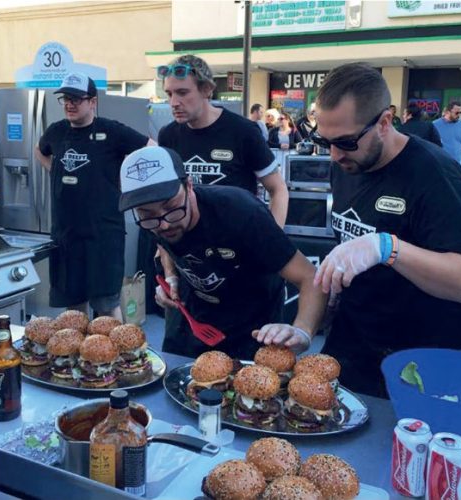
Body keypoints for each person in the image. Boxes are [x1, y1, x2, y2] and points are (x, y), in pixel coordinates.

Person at [302, 62, 461, 398]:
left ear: (385, 122)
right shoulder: (347, 163)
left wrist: (388, 248)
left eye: (345, 141)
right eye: (323, 140)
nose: (333, 155)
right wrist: (305, 326)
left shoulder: (436, 174)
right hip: (351, 351)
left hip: (419, 368)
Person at [119, 146, 326, 359]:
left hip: (251, 324)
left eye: (171, 207)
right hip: (193, 317)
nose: (163, 225)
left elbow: (309, 277)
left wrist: (303, 331)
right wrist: (171, 278)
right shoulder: (155, 222)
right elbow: (163, 246)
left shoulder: (242, 213)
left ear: (189, 185)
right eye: (148, 215)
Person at [35, 72, 156, 320]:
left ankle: (113, 357)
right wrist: (54, 170)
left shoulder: (111, 131)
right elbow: (40, 150)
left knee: (106, 305)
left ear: (92, 102)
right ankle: (79, 357)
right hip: (66, 234)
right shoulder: (56, 131)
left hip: (103, 235)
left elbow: (151, 149)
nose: (69, 104)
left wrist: (129, 182)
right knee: (73, 308)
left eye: (77, 99)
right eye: (66, 98)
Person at [156, 54, 288, 228]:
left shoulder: (243, 131)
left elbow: (278, 190)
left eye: (182, 92)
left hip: (238, 244)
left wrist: (271, 242)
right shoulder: (168, 135)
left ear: (206, 90)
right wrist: (164, 248)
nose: (173, 102)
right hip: (188, 246)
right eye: (169, 93)